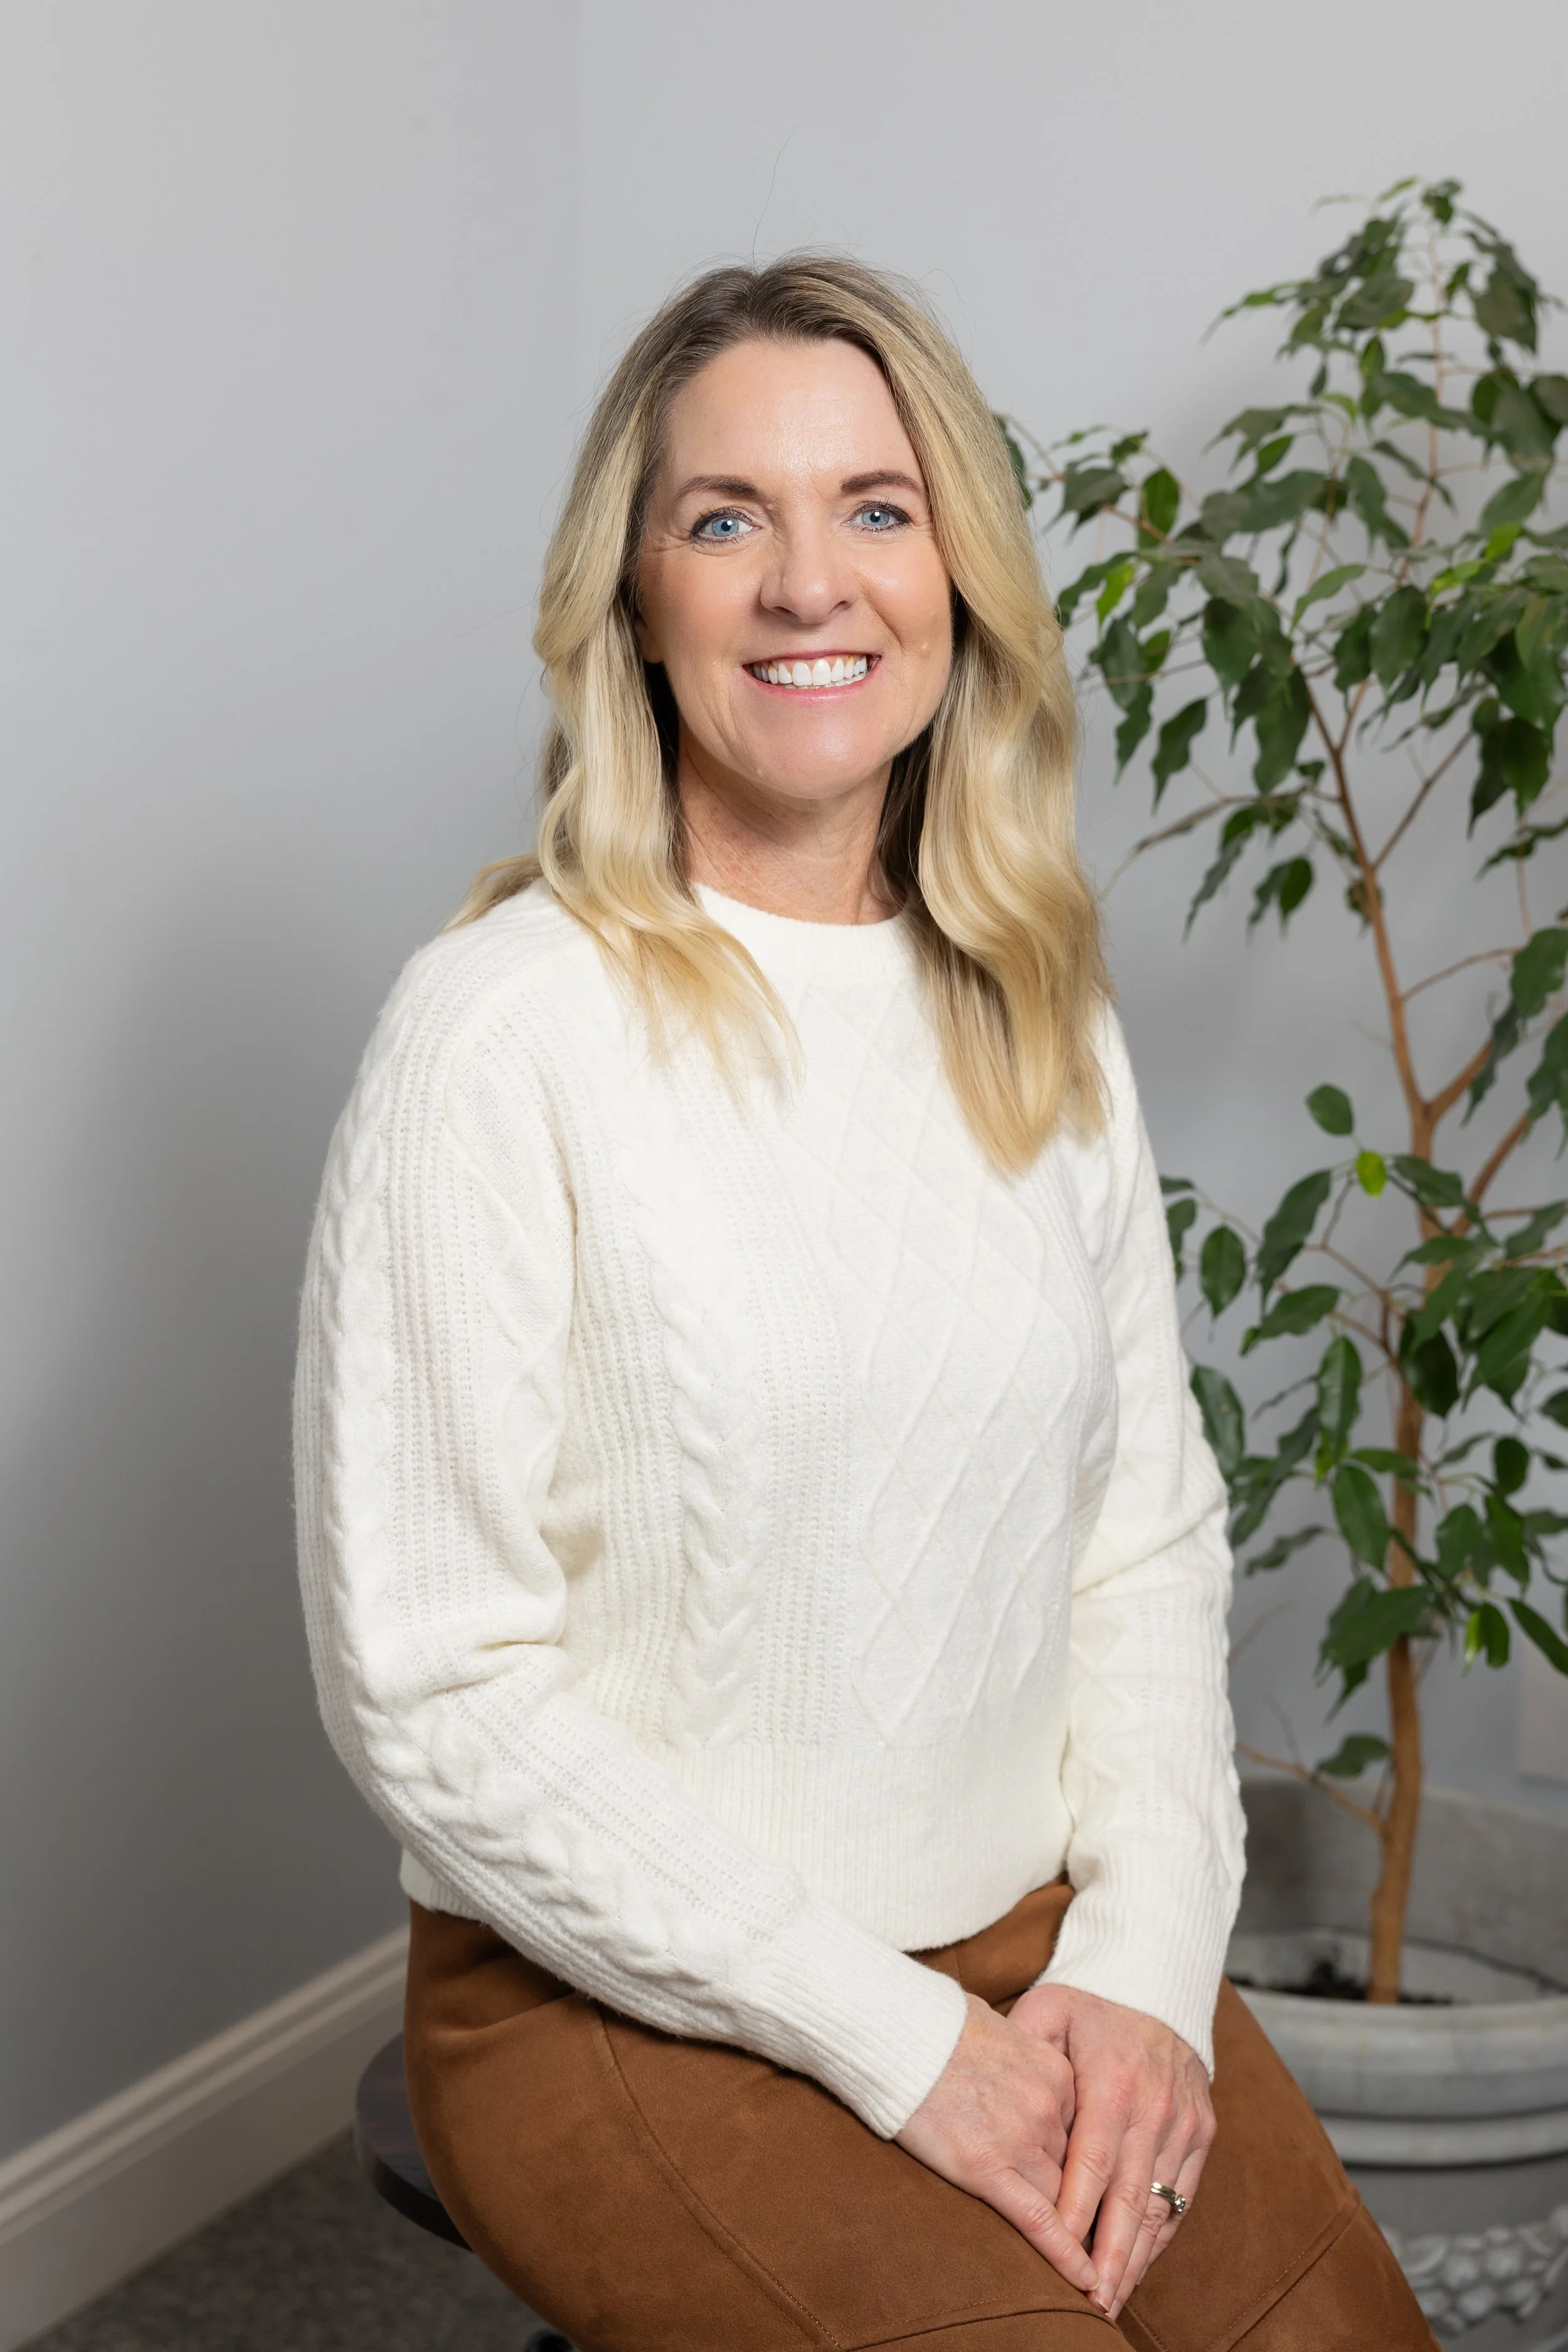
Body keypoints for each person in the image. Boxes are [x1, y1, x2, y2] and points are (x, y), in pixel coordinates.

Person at [294, 257, 1434, 2350]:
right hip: (617, 1992)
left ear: (957, 579)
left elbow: (1142, 1541)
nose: (808, 582)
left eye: (877, 509)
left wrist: (1140, 1971)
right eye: (725, 517)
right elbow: (434, 1690)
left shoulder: (1034, 1005)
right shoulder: (497, 1033)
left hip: (1035, 1943)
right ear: (634, 598)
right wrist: (901, 2044)